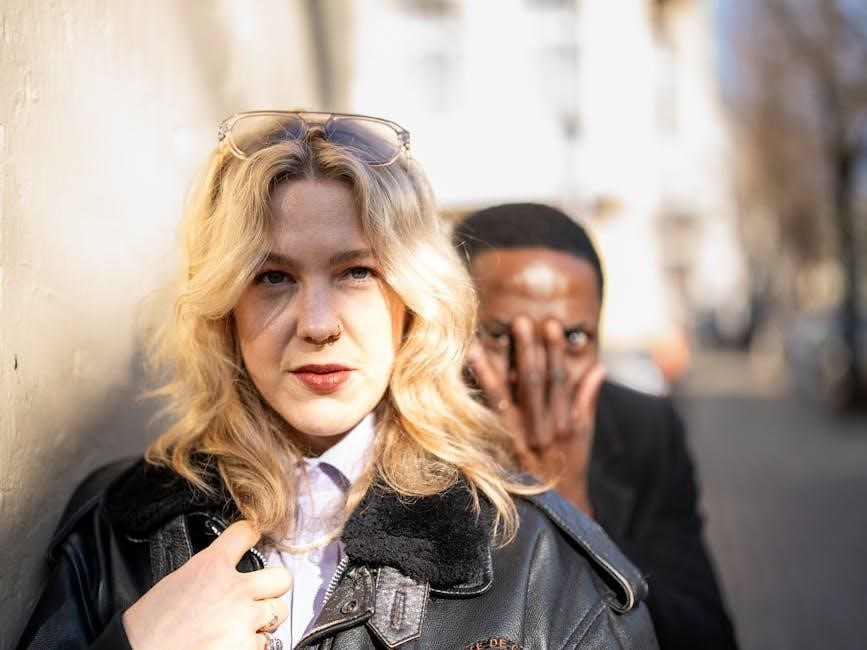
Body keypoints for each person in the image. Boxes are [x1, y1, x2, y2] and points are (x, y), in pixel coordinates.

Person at [17, 114, 658, 650]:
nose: (318, 325)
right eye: (273, 277)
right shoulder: (117, 529)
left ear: (410, 300)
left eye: (357, 272)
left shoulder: (541, 565)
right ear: (224, 305)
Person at [454, 203, 738, 649]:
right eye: (502, 336)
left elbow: (703, 636)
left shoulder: (644, 432)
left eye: (572, 339)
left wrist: (571, 514)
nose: (537, 369)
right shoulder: (409, 438)